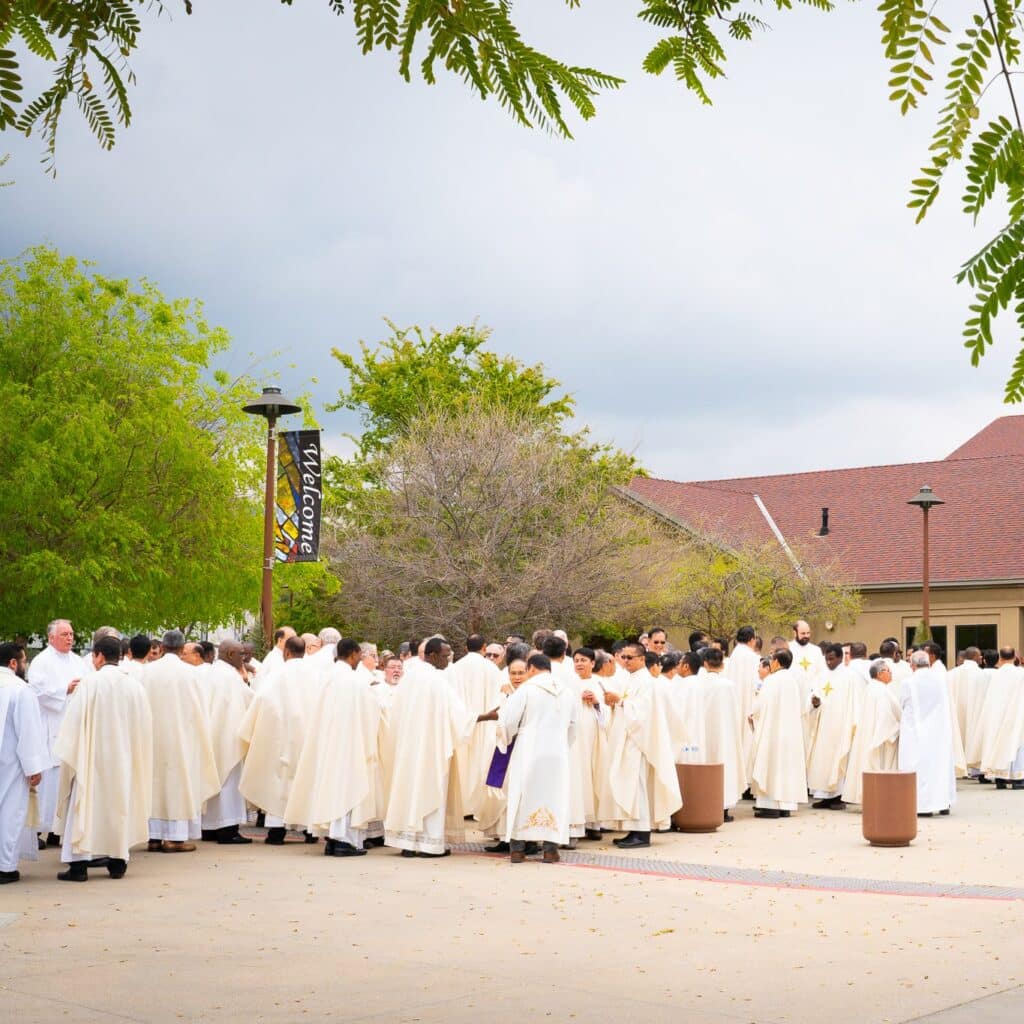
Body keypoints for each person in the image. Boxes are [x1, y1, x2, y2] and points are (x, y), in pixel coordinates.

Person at [52, 635, 153, 882]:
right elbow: (144, 728)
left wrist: (70, 752)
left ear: (98, 656)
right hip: (124, 759)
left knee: (85, 806)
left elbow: (73, 724)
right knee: (119, 807)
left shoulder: (89, 683)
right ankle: (118, 862)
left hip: (91, 758)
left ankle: (79, 866)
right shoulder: (135, 688)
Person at [285, 647, 384, 858]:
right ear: (354, 654)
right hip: (350, 745)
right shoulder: (355, 681)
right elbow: (370, 711)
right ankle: (343, 841)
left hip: (328, 746)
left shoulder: (326, 678)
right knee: (348, 790)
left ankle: (331, 839)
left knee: (331, 790)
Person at [383, 638, 476, 858]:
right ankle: (429, 845)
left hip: (408, 749)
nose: (448, 660)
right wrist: (483, 717)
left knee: (410, 790)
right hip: (432, 748)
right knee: (431, 790)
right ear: (432, 655)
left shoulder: (409, 678)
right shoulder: (437, 681)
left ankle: (407, 843)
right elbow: (457, 716)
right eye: (445, 656)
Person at [494, 654, 577, 864]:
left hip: (529, 749)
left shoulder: (526, 690)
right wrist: (562, 745)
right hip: (557, 752)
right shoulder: (567, 692)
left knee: (521, 794)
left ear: (531, 669)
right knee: (554, 795)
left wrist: (508, 737)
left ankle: (517, 850)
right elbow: (573, 726)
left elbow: (508, 721)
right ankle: (550, 850)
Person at [238, 634, 321, 845]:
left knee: (279, 783)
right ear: (304, 651)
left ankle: (276, 831)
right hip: (308, 737)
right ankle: (309, 830)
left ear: (287, 652)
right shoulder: (315, 675)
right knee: (306, 781)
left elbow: (262, 699)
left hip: (282, 736)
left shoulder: (278, 674)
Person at [142, 629, 220, 852]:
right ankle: (174, 838)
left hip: (152, 737)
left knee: (154, 783)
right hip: (182, 738)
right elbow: (200, 709)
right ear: (181, 648)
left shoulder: (147, 672)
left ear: (162, 647)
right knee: (178, 783)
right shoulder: (190, 674)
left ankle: (153, 836)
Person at [598, 641, 680, 848]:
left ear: (642, 659)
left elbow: (643, 713)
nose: (625, 661)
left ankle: (642, 833)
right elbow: (627, 705)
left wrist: (620, 701)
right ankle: (634, 829)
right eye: (623, 657)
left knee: (638, 785)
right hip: (629, 738)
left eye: (630, 657)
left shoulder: (647, 682)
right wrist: (614, 702)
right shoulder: (632, 678)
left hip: (639, 742)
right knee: (631, 786)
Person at [26, 619, 85, 845]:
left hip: (73, 728)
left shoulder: (78, 661)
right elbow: (37, 691)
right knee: (49, 784)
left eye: (71, 634)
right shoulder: (41, 662)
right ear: (51, 638)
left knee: (68, 780)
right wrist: (64, 690)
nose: (69, 638)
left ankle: (58, 831)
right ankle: (40, 830)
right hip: (50, 727)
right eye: (64, 634)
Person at [199, 640, 255, 845]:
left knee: (215, 780)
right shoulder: (230, 677)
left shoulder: (211, 672)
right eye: (241, 654)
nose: (244, 658)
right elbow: (251, 701)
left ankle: (209, 828)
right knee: (229, 782)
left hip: (212, 735)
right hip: (228, 737)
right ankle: (227, 829)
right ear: (231, 654)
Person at [0, 643, 47, 884]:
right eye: (24, 660)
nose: (25, 665)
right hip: (11, 761)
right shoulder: (20, 689)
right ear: (13, 663)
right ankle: (5, 866)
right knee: (10, 811)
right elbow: (28, 732)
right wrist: (34, 767)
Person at [447, 634, 503, 820]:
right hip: (487, 723)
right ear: (484, 647)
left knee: (463, 764)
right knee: (481, 763)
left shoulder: (455, 668)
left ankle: (461, 806)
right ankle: (479, 807)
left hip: (462, 725)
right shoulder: (493, 669)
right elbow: (498, 699)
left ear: (465, 647)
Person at [748, 649, 807, 819]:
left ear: (776, 662)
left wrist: (753, 715)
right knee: (786, 766)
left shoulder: (771, 681)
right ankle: (785, 806)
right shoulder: (792, 681)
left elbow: (760, 706)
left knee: (771, 765)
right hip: (790, 734)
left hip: (772, 732)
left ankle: (770, 806)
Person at [899, 651, 956, 816]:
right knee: (940, 765)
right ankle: (943, 802)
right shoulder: (941, 679)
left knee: (919, 766)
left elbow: (902, 703)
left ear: (912, 665)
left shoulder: (908, 682)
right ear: (928, 663)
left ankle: (923, 806)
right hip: (939, 730)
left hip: (916, 731)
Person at [805, 643, 859, 810]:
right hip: (823, 725)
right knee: (822, 761)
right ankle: (825, 796)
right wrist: (814, 703)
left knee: (838, 759)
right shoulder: (821, 676)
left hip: (841, 724)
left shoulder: (849, 676)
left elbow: (854, 703)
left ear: (840, 658)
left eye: (832, 659)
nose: (829, 662)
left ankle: (838, 797)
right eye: (827, 659)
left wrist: (852, 723)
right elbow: (813, 696)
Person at [842, 662, 901, 805]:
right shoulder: (881, 691)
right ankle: (880, 799)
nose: (891, 673)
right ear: (880, 674)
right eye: (888, 670)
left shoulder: (871, 688)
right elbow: (885, 717)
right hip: (881, 739)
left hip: (869, 735)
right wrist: (898, 728)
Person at [979, 647, 1024, 790]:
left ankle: (1000, 778)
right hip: (1017, 714)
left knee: (999, 744)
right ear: (1014, 657)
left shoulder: (996, 675)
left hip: (998, 715)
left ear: (1000, 658)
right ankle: (1018, 779)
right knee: (1017, 745)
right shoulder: (1021, 673)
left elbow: (990, 697)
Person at [726, 626, 760, 782]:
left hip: (734, 704)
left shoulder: (733, 656)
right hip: (749, 703)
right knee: (748, 739)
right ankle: (747, 777)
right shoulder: (753, 657)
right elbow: (757, 684)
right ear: (752, 639)